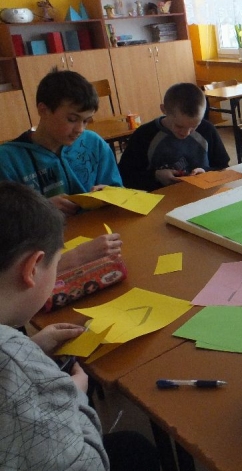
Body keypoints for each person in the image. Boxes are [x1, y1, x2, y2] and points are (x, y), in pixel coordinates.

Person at [0, 182, 160, 471]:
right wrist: (74, 398)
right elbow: (90, 465)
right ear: (32, 268)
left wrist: (30, 347)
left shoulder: (13, 352)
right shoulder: (17, 366)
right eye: (56, 263)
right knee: (136, 450)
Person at [0, 69, 123, 271]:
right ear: (43, 110)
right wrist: (42, 210)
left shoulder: (94, 143)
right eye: (72, 119)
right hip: (44, 258)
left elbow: (119, 192)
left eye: (86, 121)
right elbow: (7, 229)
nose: (80, 129)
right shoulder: (8, 159)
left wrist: (109, 194)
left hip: (100, 241)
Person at [118, 82, 230, 191]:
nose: (186, 133)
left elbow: (223, 167)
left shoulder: (207, 130)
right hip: (161, 198)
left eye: (194, 126)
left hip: (203, 194)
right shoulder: (144, 135)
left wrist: (206, 171)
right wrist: (156, 175)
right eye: (179, 126)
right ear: (164, 110)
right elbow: (125, 176)